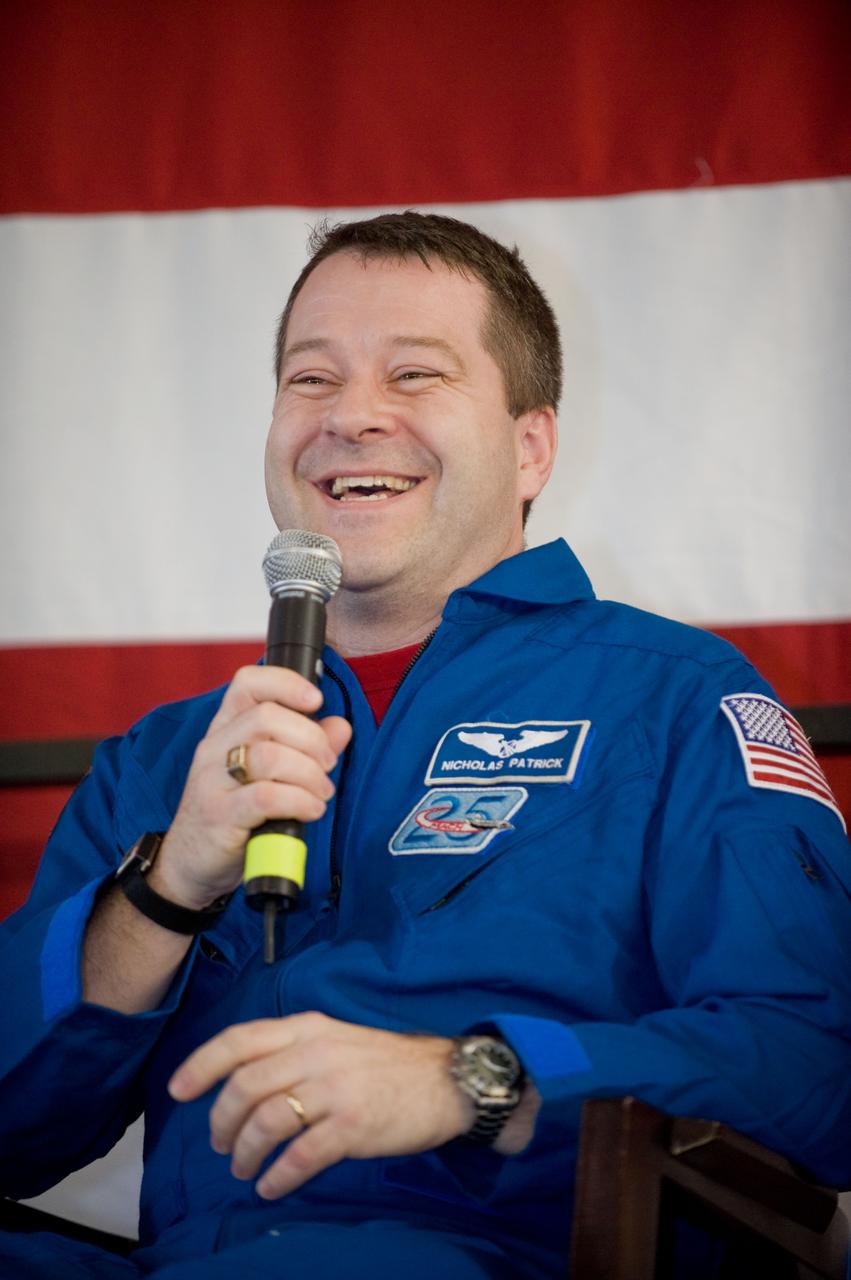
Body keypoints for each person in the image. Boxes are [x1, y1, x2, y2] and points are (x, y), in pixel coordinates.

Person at [1, 212, 849, 1280]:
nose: (351, 416)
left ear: (530, 443)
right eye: (311, 378)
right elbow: (14, 1130)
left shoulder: (674, 699)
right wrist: (172, 882)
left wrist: (471, 1078)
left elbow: (816, 1064)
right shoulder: (170, 755)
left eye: (413, 374)